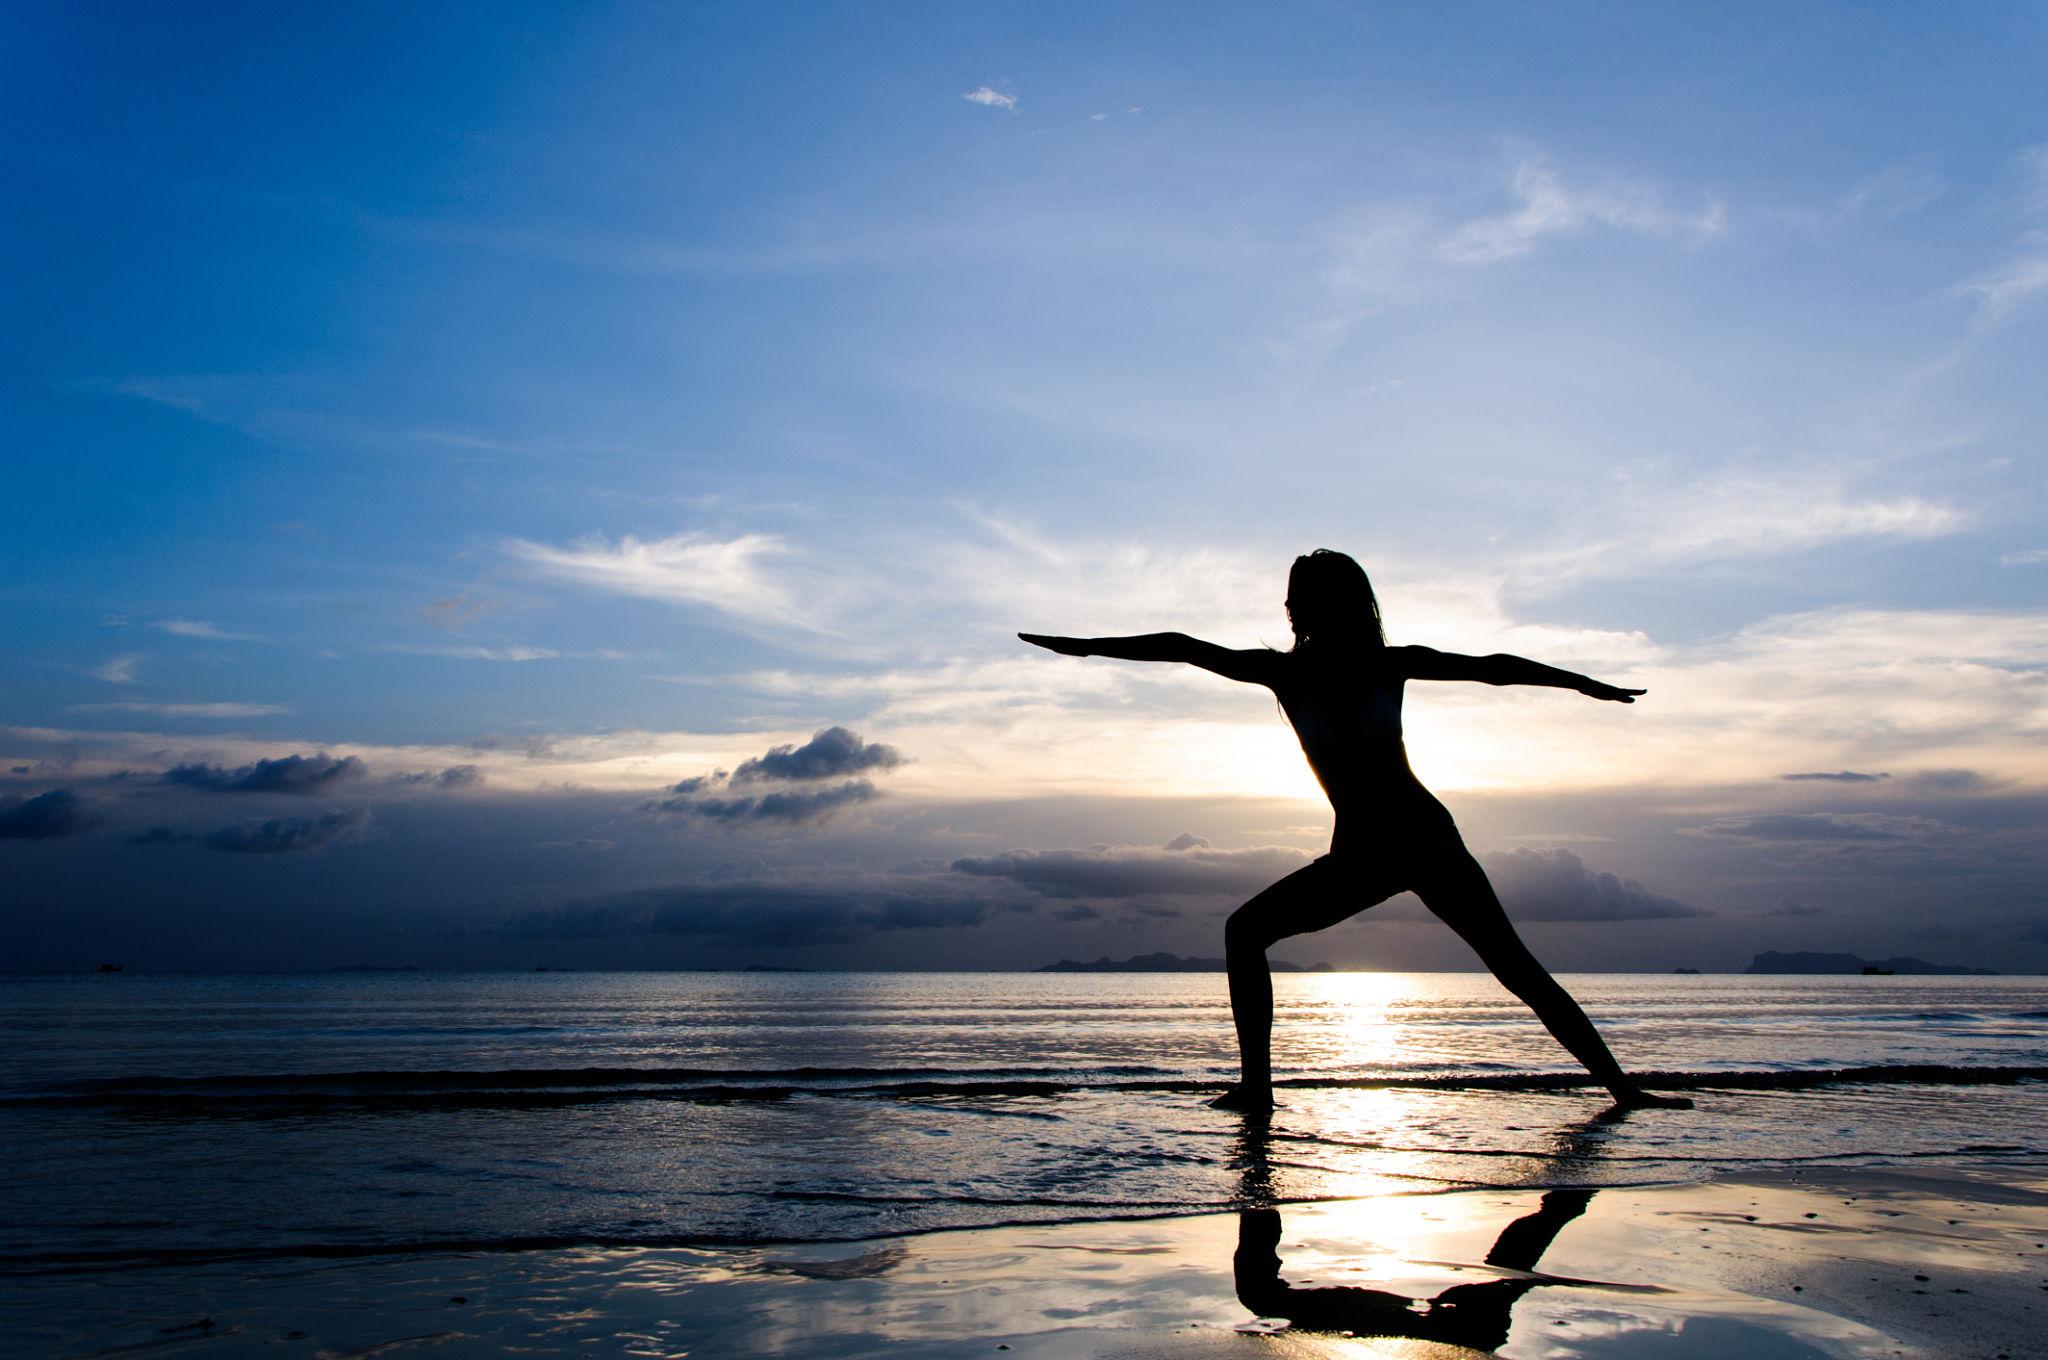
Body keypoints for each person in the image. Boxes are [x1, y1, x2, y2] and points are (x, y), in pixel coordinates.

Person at [1021, 548, 1688, 1115]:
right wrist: (1082, 647)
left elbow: (1494, 664)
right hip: (1362, 856)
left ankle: (1624, 1091)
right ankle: (1257, 1090)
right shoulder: (1283, 673)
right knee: (1244, 932)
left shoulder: (1386, 665)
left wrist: (1583, 685)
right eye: (1290, 600)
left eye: (1302, 599)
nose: (1291, 611)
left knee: (1517, 968)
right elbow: (1182, 649)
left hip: (1428, 843)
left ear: (1339, 603)